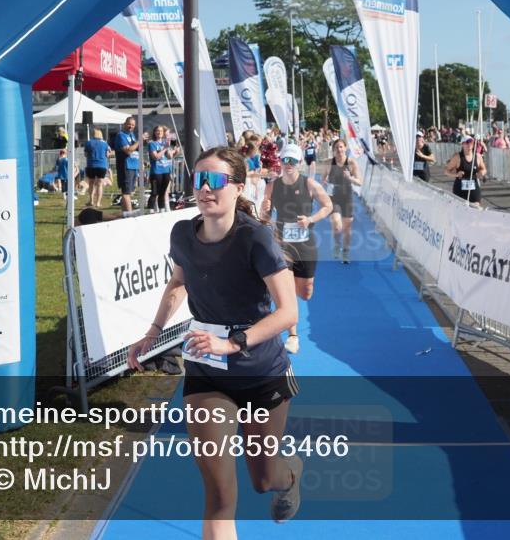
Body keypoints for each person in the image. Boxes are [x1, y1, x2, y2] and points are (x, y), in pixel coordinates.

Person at [126, 147, 302, 534]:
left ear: (237, 187)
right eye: (199, 179)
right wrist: (152, 333)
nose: (206, 188)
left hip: (261, 374)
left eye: (216, 180)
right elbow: (178, 282)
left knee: (263, 479)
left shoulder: (255, 239)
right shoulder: (182, 234)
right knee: (220, 496)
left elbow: (288, 312)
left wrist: (234, 342)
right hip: (207, 373)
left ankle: (288, 476)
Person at [261, 143, 333, 355]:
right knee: (287, 291)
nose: (289, 164)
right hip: (282, 245)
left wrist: (311, 219)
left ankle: (300, 290)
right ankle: (293, 336)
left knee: (306, 292)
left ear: (300, 163)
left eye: (293, 161)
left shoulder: (310, 184)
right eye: (285, 160)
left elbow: (328, 205)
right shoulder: (272, 186)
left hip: (306, 245)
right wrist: (265, 211)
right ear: (281, 162)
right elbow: (264, 217)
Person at [322, 138, 362, 264]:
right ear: (333, 150)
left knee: (347, 229)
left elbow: (360, 182)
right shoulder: (329, 163)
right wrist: (324, 182)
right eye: (336, 148)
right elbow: (323, 178)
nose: (339, 150)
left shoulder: (351, 163)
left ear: (345, 148)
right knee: (336, 224)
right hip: (333, 197)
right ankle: (337, 244)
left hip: (347, 197)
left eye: (341, 147)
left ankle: (345, 252)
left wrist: (350, 178)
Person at [112, 117, 141, 218]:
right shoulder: (121, 135)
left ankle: (125, 215)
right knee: (126, 192)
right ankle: (130, 215)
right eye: (129, 124)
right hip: (125, 166)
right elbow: (128, 150)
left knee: (129, 192)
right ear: (124, 124)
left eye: (133, 125)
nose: (131, 127)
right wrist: (139, 141)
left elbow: (135, 150)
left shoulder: (132, 135)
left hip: (133, 166)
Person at [445, 135, 487, 206]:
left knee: (476, 207)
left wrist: (481, 173)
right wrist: (456, 175)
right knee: (460, 208)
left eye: (471, 142)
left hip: (474, 186)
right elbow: (446, 171)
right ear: (462, 144)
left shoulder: (478, 157)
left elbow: (484, 169)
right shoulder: (457, 157)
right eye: (467, 142)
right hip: (460, 188)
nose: (469, 144)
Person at [147, 125, 176, 213]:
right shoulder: (152, 143)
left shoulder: (164, 143)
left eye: (161, 131)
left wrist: (173, 149)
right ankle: (151, 211)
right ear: (154, 133)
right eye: (157, 131)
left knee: (163, 193)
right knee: (155, 192)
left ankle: (162, 210)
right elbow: (156, 157)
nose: (159, 132)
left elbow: (169, 156)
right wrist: (165, 148)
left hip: (166, 171)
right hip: (156, 172)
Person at [83, 129, 111, 208]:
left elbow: (85, 154)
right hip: (102, 166)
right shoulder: (105, 143)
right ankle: (98, 202)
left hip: (91, 165)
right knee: (99, 185)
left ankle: (91, 201)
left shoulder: (89, 143)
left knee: (91, 184)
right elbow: (108, 154)